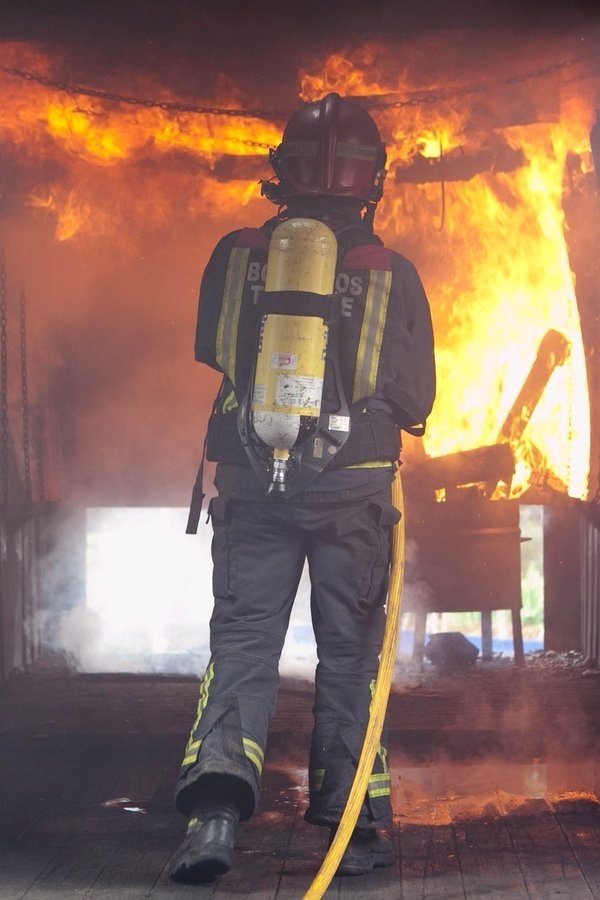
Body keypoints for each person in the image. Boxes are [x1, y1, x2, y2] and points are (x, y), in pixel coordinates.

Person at [170, 91, 436, 883]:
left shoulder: (235, 255)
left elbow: (214, 349)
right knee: (351, 656)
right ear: (371, 180)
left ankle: (214, 816)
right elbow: (417, 401)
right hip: (355, 494)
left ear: (281, 174)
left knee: (244, 642)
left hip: (253, 484)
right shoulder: (392, 274)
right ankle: (352, 831)